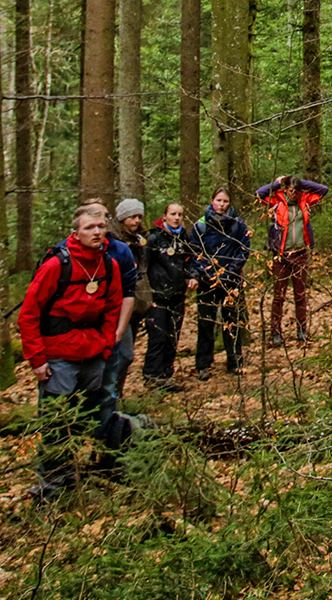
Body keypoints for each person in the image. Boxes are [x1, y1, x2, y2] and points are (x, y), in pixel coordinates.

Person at [18, 205, 124, 497]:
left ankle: (78, 470)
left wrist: (105, 345)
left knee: (85, 418)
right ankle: (51, 485)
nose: (97, 232)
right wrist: (37, 359)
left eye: (101, 227)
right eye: (90, 228)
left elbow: (113, 307)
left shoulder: (109, 266)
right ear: (76, 232)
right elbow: (28, 314)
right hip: (58, 356)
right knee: (55, 421)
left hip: (93, 355)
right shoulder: (56, 266)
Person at [257, 173, 329, 345]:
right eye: (290, 190)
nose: (293, 194)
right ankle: (275, 332)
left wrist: (301, 183)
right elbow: (259, 194)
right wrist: (277, 183)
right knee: (278, 296)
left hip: (300, 254)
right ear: (285, 189)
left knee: (300, 295)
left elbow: (323, 190)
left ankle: (301, 330)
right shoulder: (277, 200)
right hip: (281, 255)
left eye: (296, 191)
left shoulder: (305, 200)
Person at [192, 187, 250, 379]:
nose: (221, 205)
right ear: (212, 201)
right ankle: (203, 364)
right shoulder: (200, 225)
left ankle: (235, 362)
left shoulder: (238, 225)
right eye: (218, 201)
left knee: (232, 322)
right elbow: (194, 251)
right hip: (206, 281)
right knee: (206, 322)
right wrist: (209, 273)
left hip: (231, 281)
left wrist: (229, 273)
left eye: (225, 201)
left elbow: (243, 250)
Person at [142, 203, 200, 389]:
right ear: (164, 216)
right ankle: (152, 376)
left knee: (172, 336)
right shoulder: (154, 239)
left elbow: (190, 261)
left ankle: (167, 374)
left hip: (177, 295)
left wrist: (192, 276)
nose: (176, 218)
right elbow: (145, 267)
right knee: (157, 336)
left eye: (180, 214)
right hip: (157, 296)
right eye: (173, 214)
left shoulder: (184, 238)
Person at [106, 199, 147, 398]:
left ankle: (116, 393)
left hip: (136, 301)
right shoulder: (114, 243)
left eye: (139, 217)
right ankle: (110, 393)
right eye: (132, 217)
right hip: (117, 303)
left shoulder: (140, 240)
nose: (136, 221)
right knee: (123, 354)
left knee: (125, 354)